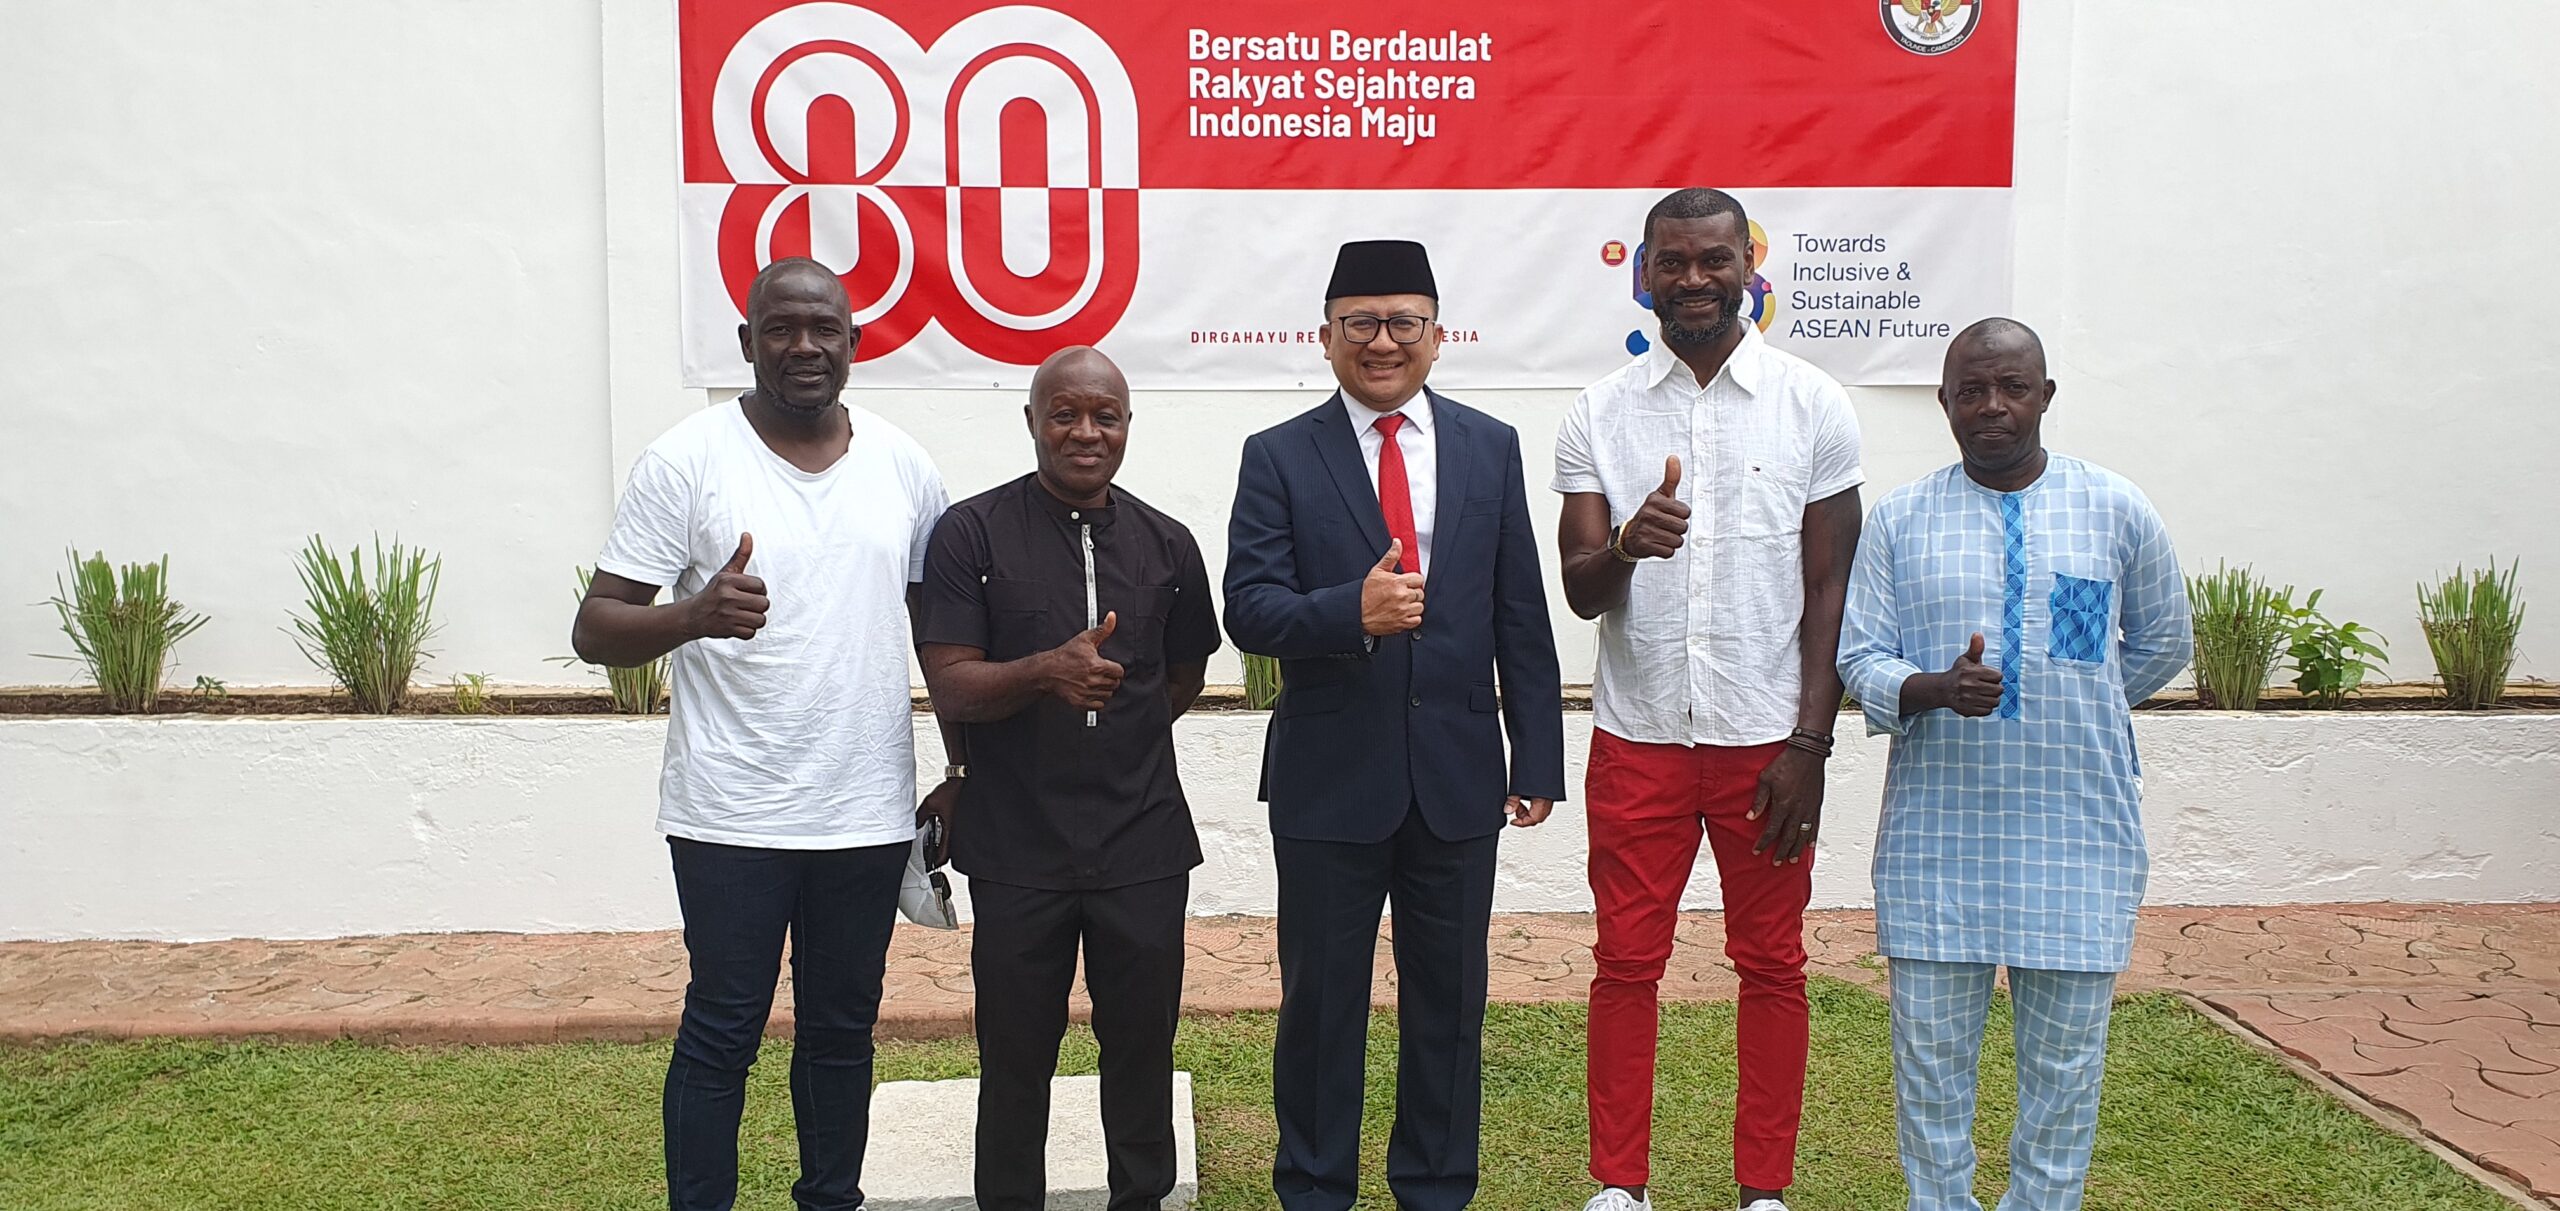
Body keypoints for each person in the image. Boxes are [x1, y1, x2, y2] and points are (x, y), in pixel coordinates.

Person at [571, 257, 949, 1211]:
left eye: (824, 328)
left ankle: (832, 1199)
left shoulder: (904, 466)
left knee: (841, 1033)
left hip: (863, 810)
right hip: (729, 811)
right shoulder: (687, 459)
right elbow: (596, 628)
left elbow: (940, 635)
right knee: (722, 1030)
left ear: (856, 342)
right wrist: (692, 615)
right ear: (747, 342)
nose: (804, 346)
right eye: (781, 327)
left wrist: (965, 767)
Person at [1223, 238, 1566, 1211]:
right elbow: (1249, 607)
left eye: (1403, 322)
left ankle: (1435, 1186)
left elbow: (1519, 610)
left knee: (1449, 1004)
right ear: (1326, 337)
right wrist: (1351, 611)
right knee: (1321, 1005)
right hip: (1328, 779)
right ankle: (1314, 1187)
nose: (1383, 341)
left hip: (1457, 774)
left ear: (1437, 334)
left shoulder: (1489, 446)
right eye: (1360, 323)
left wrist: (1536, 754)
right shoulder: (1278, 455)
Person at [1552, 188, 1865, 1211]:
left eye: (1713, 259)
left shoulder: (1812, 404)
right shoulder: (1598, 411)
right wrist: (1626, 545)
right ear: (1643, 274)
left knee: (1771, 963)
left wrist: (1810, 744)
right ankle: (1620, 1184)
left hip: (1765, 741)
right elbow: (1581, 588)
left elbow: (1830, 589)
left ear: (1747, 268)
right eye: (1673, 261)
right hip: (1638, 736)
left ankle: (1762, 1189)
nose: (1693, 279)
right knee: (1624, 962)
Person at [1837, 318, 2192, 1211]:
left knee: (2065, 1072)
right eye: (1973, 390)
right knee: (1930, 1068)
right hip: (1938, 842)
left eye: (2012, 387)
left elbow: (2161, 642)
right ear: (1945, 401)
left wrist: (2078, 702)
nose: (1992, 405)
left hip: (2079, 835)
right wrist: (1932, 688)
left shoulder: (2114, 507)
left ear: (2045, 396)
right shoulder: (1902, 519)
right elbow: (1859, 656)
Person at [915, 346, 1220, 1211]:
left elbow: (1183, 677)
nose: (1086, 431)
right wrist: (1048, 672)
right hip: (1017, 844)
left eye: (1105, 416)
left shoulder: (1169, 543)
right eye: (1065, 414)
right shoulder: (971, 534)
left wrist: (1113, 737)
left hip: (1142, 842)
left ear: (1127, 425)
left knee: (1142, 1053)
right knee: (1015, 1061)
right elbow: (951, 683)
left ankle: (1141, 1198)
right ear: (1032, 422)